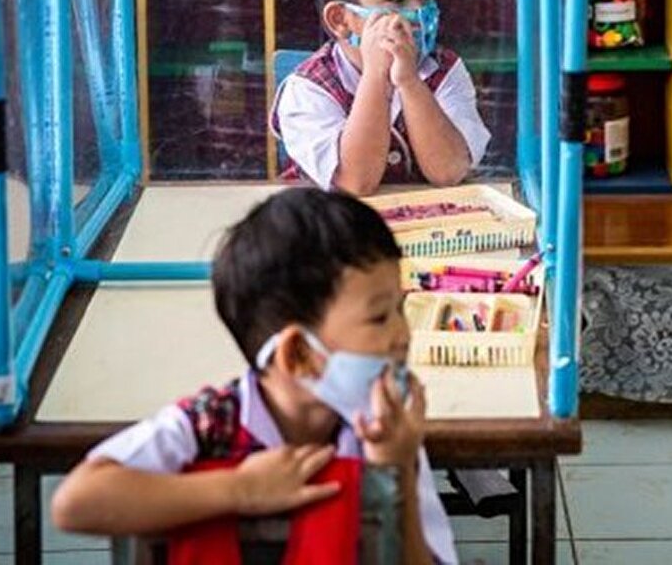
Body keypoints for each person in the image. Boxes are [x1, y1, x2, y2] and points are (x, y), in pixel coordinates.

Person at [50, 188, 456, 564]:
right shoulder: (211, 424)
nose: (404, 334)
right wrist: (240, 489)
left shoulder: (383, 432)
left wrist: (395, 473)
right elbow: (75, 502)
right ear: (298, 354)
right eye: (380, 317)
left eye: (400, 309)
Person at [271, 0, 490, 195]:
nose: (418, 12)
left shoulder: (444, 70)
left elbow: (448, 171)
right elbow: (355, 182)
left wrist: (410, 82)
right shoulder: (307, 89)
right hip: (333, 219)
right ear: (341, 20)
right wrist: (376, 75)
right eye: (397, 0)